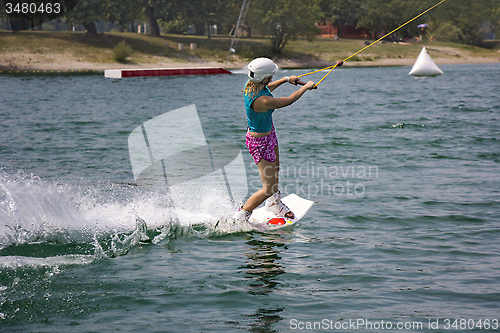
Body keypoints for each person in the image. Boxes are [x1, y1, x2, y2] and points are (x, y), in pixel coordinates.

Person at [232, 57, 316, 223]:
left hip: (268, 135)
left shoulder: (251, 86)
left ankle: (273, 203)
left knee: (274, 173)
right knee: (268, 186)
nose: (272, 77)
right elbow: (288, 100)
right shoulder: (263, 101)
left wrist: (286, 80)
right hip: (260, 143)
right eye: (272, 75)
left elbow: (267, 87)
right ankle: (241, 216)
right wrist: (305, 87)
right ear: (266, 76)